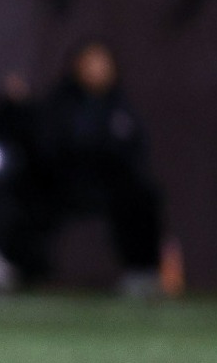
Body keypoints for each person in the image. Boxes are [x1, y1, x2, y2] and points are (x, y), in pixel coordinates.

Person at [36, 40, 165, 295]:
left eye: (101, 63)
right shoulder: (61, 101)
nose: (96, 69)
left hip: (109, 183)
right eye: (90, 63)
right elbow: (51, 145)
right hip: (65, 182)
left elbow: (134, 147)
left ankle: (142, 271)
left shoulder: (120, 104)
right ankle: (24, 266)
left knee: (142, 194)